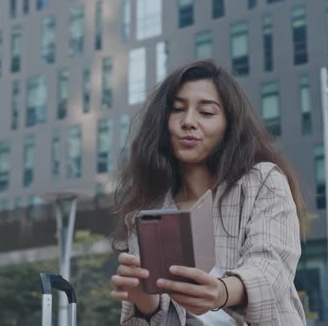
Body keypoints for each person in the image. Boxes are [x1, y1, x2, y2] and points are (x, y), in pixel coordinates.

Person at [110, 60, 307, 326]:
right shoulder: (147, 213)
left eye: (206, 112)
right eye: (178, 109)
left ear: (229, 124)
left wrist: (220, 291)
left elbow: (272, 269)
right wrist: (144, 301)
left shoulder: (262, 182)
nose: (188, 121)